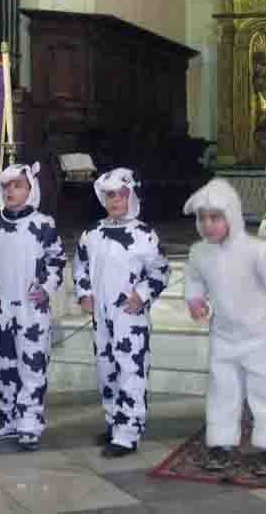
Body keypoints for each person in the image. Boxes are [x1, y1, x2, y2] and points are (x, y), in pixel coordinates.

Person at [183, 178, 266, 476]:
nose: (208, 225)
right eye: (202, 218)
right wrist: (195, 300)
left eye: (215, 217)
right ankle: (221, 442)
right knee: (222, 389)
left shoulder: (257, 251)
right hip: (223, 335)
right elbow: (194, 278)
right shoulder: (200, 252)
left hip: (261, 335)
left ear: (232, 216)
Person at [0, 162, 65, 452]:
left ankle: (30, 423)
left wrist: (45, 288)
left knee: (32, 366)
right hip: (1, 308)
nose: (10, 191)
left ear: (30, 190)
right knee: (3, 366)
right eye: (6, 186)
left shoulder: (43, 224)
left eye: (17, 185)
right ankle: (6, 420)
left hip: (31, 311)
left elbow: (56, 260)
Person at [73, 168, 169, 458]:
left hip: (130, 316)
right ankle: (114, 420)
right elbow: (80, 267)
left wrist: (141, 295)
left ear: (132, 197)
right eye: (110, 195)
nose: (115, 200)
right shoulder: (92, 233)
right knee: (106, 370)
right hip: (101, 316)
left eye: (121, 195)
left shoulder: (143, 235)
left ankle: (128, 432)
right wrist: (84, 293)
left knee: (130, 371)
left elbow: (160, 270)